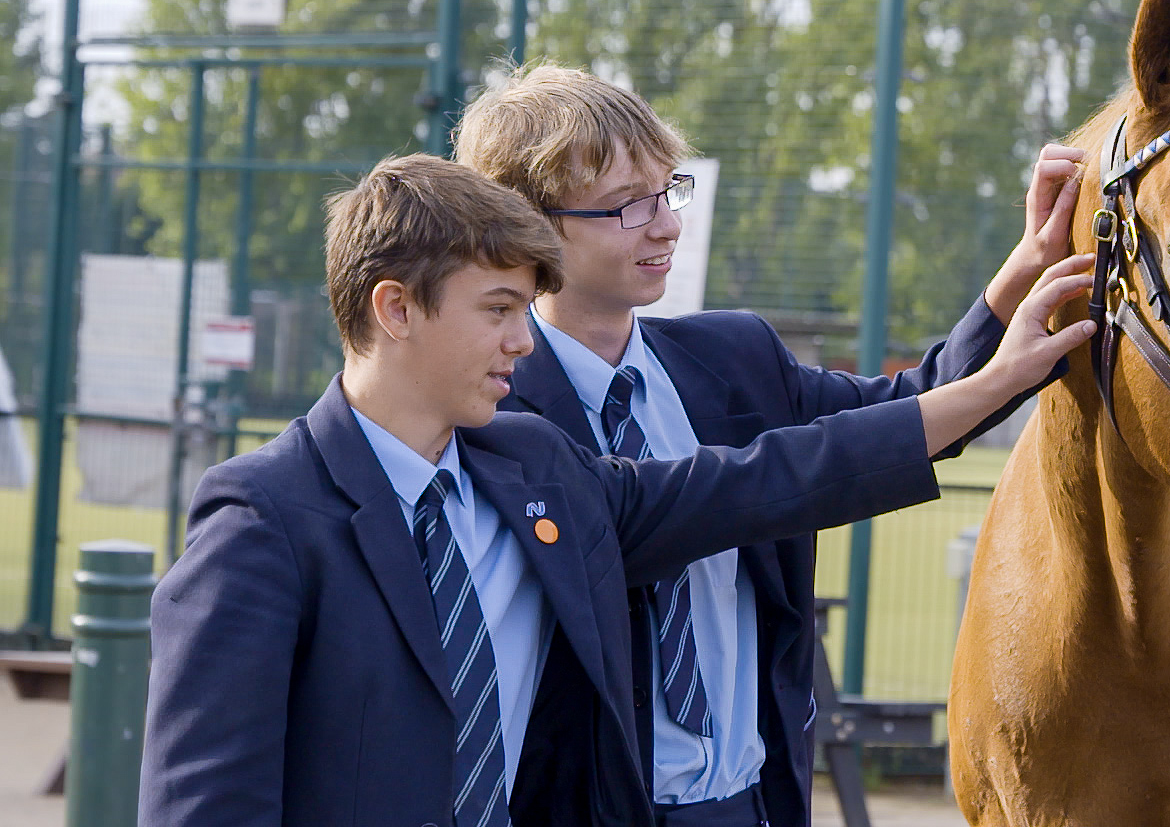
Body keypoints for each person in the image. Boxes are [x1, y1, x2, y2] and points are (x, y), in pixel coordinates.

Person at [139, 153, 1094, 827]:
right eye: (499, 311)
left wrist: (995, 383)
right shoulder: (260, 523)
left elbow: (771, 478)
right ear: (395, 309)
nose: (523, 338)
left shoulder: (532, 469)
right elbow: (204, 807)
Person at [452, 64, 1084, 826]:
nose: (666, 225)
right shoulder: (491, 415)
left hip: (753, 805)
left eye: (668, 190)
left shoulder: (734, 359)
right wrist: (992, 380)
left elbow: (912, 408)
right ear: (530, 223)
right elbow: (755, 485)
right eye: (627, 205)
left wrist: (1024, 270)